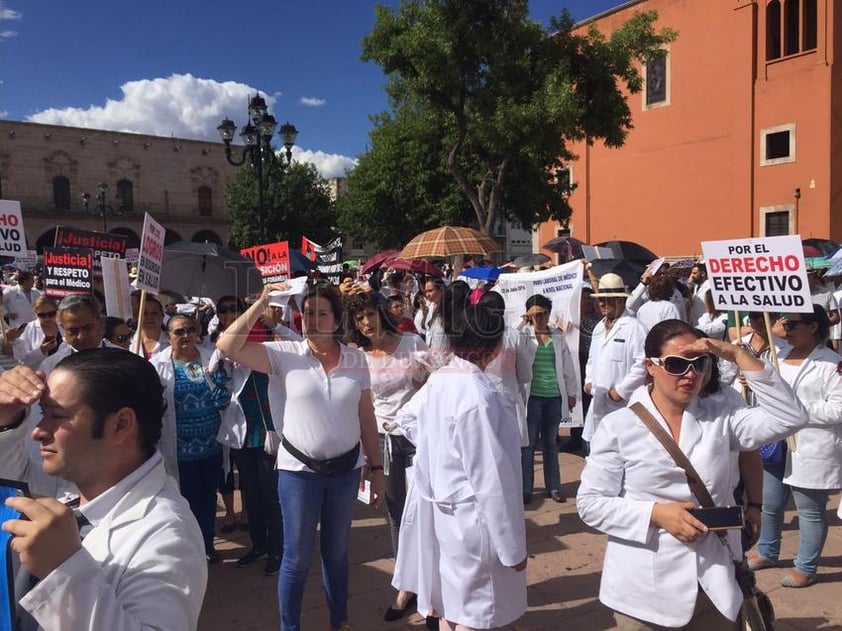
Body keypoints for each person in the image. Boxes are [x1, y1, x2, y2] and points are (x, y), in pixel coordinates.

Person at [577, 319, 808, 629]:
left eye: (699, 363)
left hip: (715, 582)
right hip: (646, 590)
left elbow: (791, 417)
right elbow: (590, 503)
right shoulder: (618, 427)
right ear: (651, 366)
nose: (690, 374)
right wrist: (655, 514)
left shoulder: (722, 416)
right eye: (676, 364)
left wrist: (739, 356)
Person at [217, 282, 385, 631]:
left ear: (337, 320)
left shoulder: (356, 358)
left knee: (337, 554)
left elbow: (366, 416)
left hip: (345, 472)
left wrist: (377, 466)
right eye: (307, 313)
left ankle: (339, 620)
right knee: (296, 558)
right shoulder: (285, 353)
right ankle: (289, 627)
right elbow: (227, 345)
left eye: (322, 313)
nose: (312, 319)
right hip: (298, 474)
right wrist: (262, 301)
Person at [0, 348, 207, 630]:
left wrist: (63, 570)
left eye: (56, 416)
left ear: (121, 424)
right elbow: (10, 478)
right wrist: (6, 420)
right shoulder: (72, 483)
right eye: (41, 414)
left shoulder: (168, 535)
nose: (38, 430)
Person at [391, 304, 528, 631]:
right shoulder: (477, 394)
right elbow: (490, 479)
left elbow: (405, 418)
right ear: (494, 348)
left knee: (452, 603)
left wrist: (437, 447)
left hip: (445, 513)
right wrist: (512, 548)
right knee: (476, 610)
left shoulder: (442, 377)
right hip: (474, 519)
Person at [344, 292, 427, 622]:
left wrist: (423, 378)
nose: (365, 323)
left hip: (418, 438)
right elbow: (360, 405)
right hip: (383, 441)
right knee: (396, 514)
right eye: (359, 318)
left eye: (369, 314)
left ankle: (431, 580)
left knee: (425, 510)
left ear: (381, 312)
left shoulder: (412, 343)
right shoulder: (356, 355)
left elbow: (436, 383)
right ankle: (406, 585)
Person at [751, 305, 842, 588]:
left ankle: (806, 566)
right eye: (783, 324)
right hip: (776, 445)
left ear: (814, 327)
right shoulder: (778, 356)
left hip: (811, 446)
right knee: (770, 503)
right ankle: (768, 551)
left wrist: (796, 411)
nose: (785, 330)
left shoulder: (831, 363)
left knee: (810, 512)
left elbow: (838, 408)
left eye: (792, 325)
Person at [212, 295, 290, 577]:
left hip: (269, 433)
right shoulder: (220, 349)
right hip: (242, 436)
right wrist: (223, 369)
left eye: (236, 311)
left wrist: (275, 325)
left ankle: (278, 549)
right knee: (253, 495)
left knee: (273, 496)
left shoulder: (270, 345)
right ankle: (258, 545)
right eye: (225, 311)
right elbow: (216, 385)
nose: (230, 315)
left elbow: (298, 345)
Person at [150, 314, 220, 561]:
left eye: (190, 330)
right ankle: (193, 550)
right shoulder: (157, 366)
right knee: (187, 501)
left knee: (209, 498)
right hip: (181, 450)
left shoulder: (211, 357)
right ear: (168, 336)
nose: (186, 335)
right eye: (179, 332)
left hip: (213, 446)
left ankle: (208, 544)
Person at [519, 294, 577, 504]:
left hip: (553, 397)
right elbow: (514, 338)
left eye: (544, 313)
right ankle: (527, 488)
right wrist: (525, 320)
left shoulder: (558, 336)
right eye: (536, 314)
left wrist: (571, 393)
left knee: (551, 444)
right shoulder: (523, 335)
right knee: (529, 444)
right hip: (532, 398)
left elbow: (568, 366)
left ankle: (554, 487)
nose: (541, 318)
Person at [582, 273, 648, 443]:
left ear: (620, 300)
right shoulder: (598, 327)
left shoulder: (635, 328)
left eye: (608, 299)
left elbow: (642, 364)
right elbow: (592, 358)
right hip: (598, 401)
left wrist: (621, 391)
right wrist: (589, 380)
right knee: (596, 451)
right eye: (600, 299)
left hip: (621, 405)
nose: (602, 304)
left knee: (620, 450)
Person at [9, 296, 62, 369]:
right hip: (39, 375)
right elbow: (22, 360)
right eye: (42, 315)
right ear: (35, 313)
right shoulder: (28, 329)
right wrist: (41, 350)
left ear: (57, 311)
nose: (47, 318)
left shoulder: (63, 327)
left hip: (61, 374)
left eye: (51, 314)